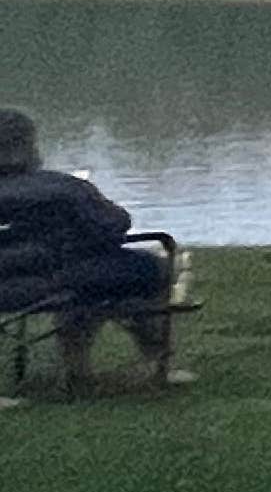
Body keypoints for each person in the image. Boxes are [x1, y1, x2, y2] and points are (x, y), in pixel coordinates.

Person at [0, 107, 173, 386]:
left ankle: (77, 369)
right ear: (27, 146)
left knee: (92, 278)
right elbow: (115, 224)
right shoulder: (64, 188)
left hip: (8, 287)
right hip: (60, 278)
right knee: (147, 269)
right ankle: (152, 359)